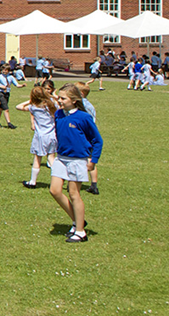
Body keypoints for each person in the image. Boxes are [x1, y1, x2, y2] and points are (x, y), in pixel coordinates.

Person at [49, 83, 102, 243]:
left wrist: (93, 160)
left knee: (74, 193)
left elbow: (97, 140)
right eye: (59, 97)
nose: (59, 101)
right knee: (54, 190)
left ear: (74, 100)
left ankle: (80, 231)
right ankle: (77, 220)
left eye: (63, 98)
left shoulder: (83, 117)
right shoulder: (59, 114)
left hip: (77, 160)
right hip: (61, 158)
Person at [16, 85, 58, 188]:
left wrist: (30, 101)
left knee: (37, 159)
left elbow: (18, 106)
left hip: (40, 136)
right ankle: (58, 179)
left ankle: (32, 181)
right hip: (52, 135)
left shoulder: (33, 107)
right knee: (51, 157)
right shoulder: (51, 106)